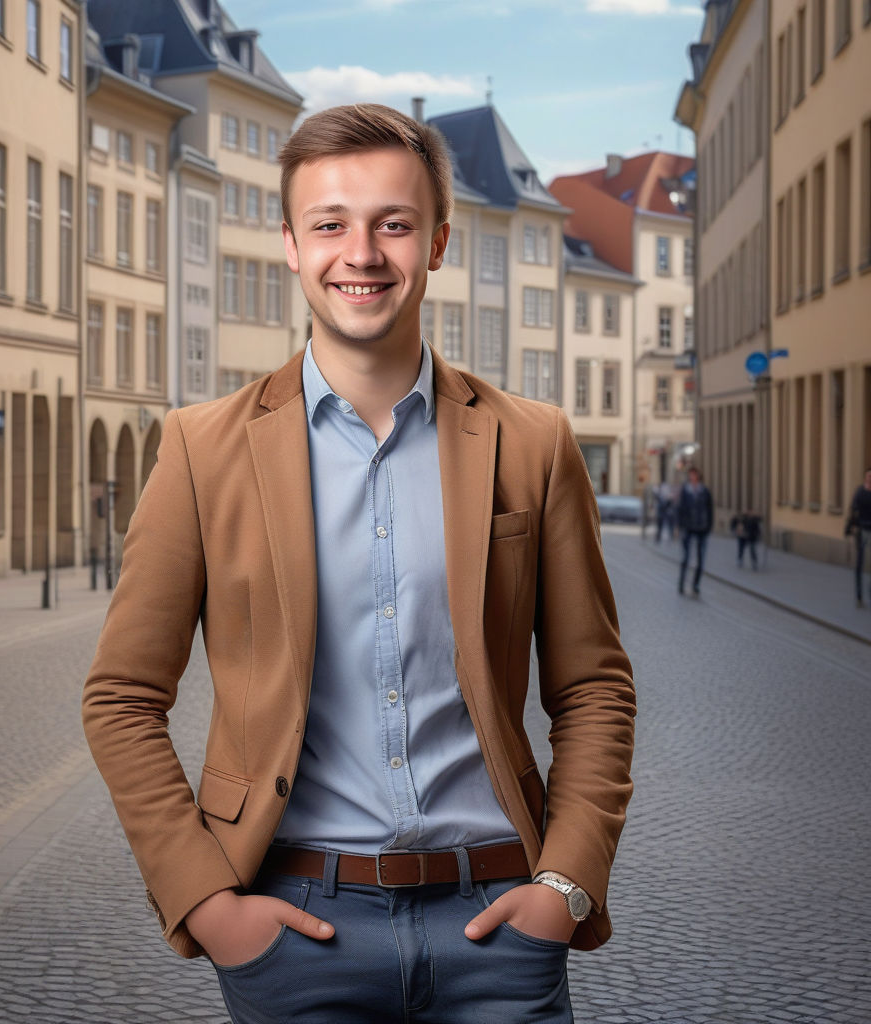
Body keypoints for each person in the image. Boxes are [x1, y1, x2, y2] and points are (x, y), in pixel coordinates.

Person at [82, 104, 636, 1024]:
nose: (362, 253)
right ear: (291, 245)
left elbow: (594, 688)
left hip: (497, 926)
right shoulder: (200, 449)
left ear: (439, 242)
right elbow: (121, 697)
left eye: (394, 223)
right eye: (331, 224)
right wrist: (209, 906)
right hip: (297, 932)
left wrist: (564, 887)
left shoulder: (533, 445)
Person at [676, 465, 713, 596]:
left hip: (702, 528)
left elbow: (709, 510)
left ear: (698, 475)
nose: (692, 476)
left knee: (701, 559)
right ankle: (681, 583)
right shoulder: (686, 491)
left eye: (694, 474)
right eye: (690, 474)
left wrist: (709, 527)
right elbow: (680, 509)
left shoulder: (705, 491)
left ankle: (696, 584)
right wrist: (679, 527)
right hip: (688, 527)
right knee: (686, 557)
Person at [848, 468, 871, 608]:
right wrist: (853, 524)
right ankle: (859, 596)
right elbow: (854, 509)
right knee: (860, 563)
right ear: (865, 477)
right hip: (862, 530)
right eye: (869, 476)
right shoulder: (860, 492)